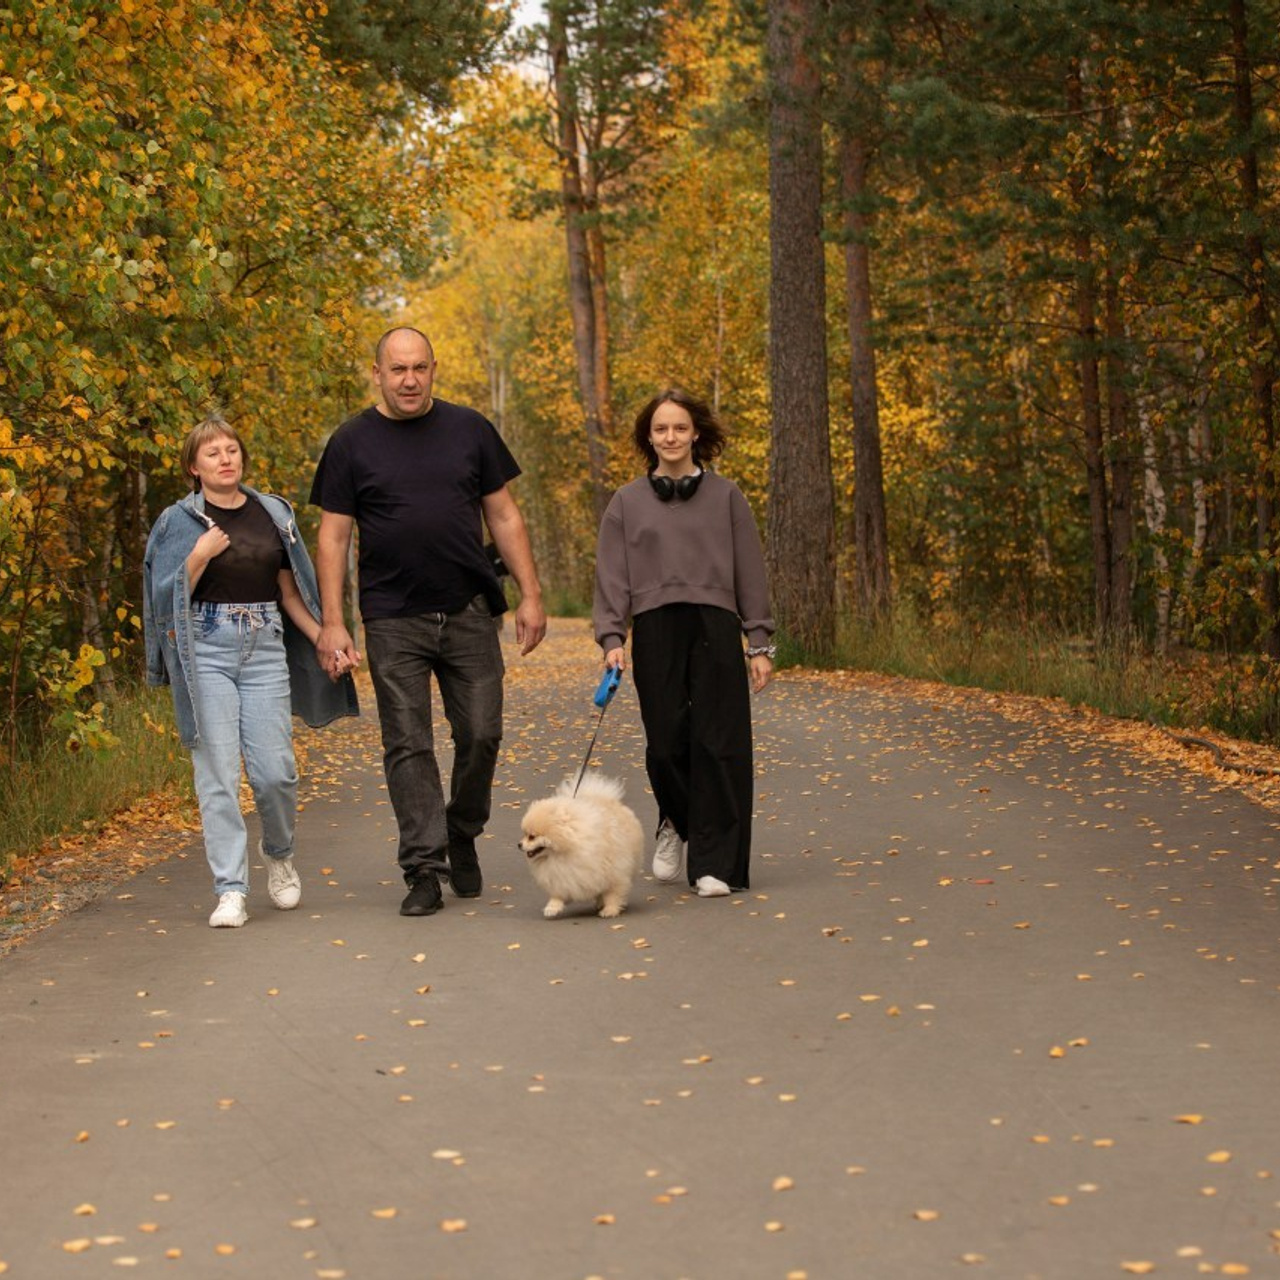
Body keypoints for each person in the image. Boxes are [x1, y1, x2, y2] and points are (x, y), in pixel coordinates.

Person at [310, 326, 547, 917]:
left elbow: (505, 516)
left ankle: (461, 829)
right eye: (397, 370)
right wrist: (333, 622)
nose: (409, 380)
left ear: (434, 369)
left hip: (468, 609)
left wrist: (531, 595)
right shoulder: (350, 443)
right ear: (378, 374)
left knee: (482, 733)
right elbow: (334, 536)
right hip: (392, 618)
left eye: (419, 368)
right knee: (408, 744)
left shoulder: (470, 430)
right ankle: (424, 867)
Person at [144, 417, 359, 928]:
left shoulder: (272, 512)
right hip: (206, 650)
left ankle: (279, 854)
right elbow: (162, 598)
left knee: (275, 774)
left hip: (264, 646)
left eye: (232, 450)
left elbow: (291, 594)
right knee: (217, 774)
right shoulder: (179, 522)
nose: (226, 459)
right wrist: (198, 556)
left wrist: (325, 637)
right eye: (213, 452)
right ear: (194, 467)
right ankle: (230, 889)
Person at [593, 387, 774, 897]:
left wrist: (758, 641)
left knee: (721, 743)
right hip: (655, 627)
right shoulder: (626, 502)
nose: (670, 436)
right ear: (648, 438)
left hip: (715, 624)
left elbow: (750, 572)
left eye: (679, 427)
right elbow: (612, 576)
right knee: (668, 741)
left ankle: (716, 864)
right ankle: (676, 819)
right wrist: (612, 636)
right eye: (660, 429)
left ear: (696, 433)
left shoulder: (727, 497)